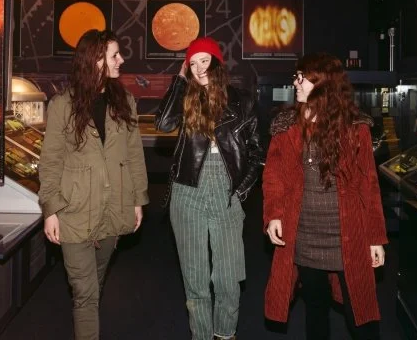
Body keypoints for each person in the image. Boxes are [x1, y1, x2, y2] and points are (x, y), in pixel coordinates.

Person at [263, 53, 387, 340]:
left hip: (348, 233)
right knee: (315, 308)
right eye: (296, 76)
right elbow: (273, 177)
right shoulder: (285, 126)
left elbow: (369, 185)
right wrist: (273, 216)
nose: (296, 82)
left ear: (322, 84)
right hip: (304, 232)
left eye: (301, 77)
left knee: (361, 314)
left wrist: (375, 237)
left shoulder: (356, 127)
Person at [38, 29, 149, 340]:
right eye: (114, 55)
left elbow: (134, 155)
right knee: (85, 290)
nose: (121, 59)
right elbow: (50, 162)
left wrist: (138, 199)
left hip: (114, 210)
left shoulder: (124, 101)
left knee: (95, 283)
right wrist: (50, 210)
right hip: (73, 212)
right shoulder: (63, 104)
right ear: (96, 60)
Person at [155, 37, 264, 340]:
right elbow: (163, 123)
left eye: (204, 60)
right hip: (187, 190)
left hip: (226, 190)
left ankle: (226, 334)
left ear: (217, 62)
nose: (199, 68)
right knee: (196, 280)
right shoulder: (186, 97)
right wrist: (178, 81)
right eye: (192, 63)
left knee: (228, 279)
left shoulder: (242, 100)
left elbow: (256, 152)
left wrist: (241, 190)